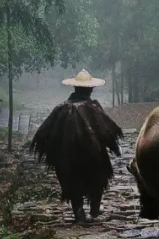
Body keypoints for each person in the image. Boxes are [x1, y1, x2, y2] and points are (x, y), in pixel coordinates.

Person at [29, 69, 123, 224]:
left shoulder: (61, 109)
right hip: (93, 156)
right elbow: (106, 131)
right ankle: (94, 207)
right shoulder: (93, 108)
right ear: (90, 89)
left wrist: (54, 153)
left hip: (67, 157)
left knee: (71, 181)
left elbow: (45, 134)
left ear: (75, 88)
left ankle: (78, 212)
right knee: (98, 177)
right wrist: (113, 146)